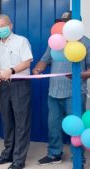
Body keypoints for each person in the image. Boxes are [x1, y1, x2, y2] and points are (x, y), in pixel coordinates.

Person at [33, 11, 90, 167]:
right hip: (54, 93)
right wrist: (38, 69)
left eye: (66, 22)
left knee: (76, 128)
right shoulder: (55, 42)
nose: (63, 25)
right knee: (53, 127)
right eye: (61, 22)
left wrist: (78, 75)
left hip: (75, 94)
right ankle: (54, 154)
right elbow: (43, 61)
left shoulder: (85, 43)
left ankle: (78, 159)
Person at [0, 14, 33, 169]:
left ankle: (19, 160)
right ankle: (8, 153)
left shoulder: (21, 41)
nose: (0, 29)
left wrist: (11, 70)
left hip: (20, 84)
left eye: (3, 26)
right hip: (4, 86)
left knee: (21, 122)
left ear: (11, 25)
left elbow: (27, 62)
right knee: (7, 120)